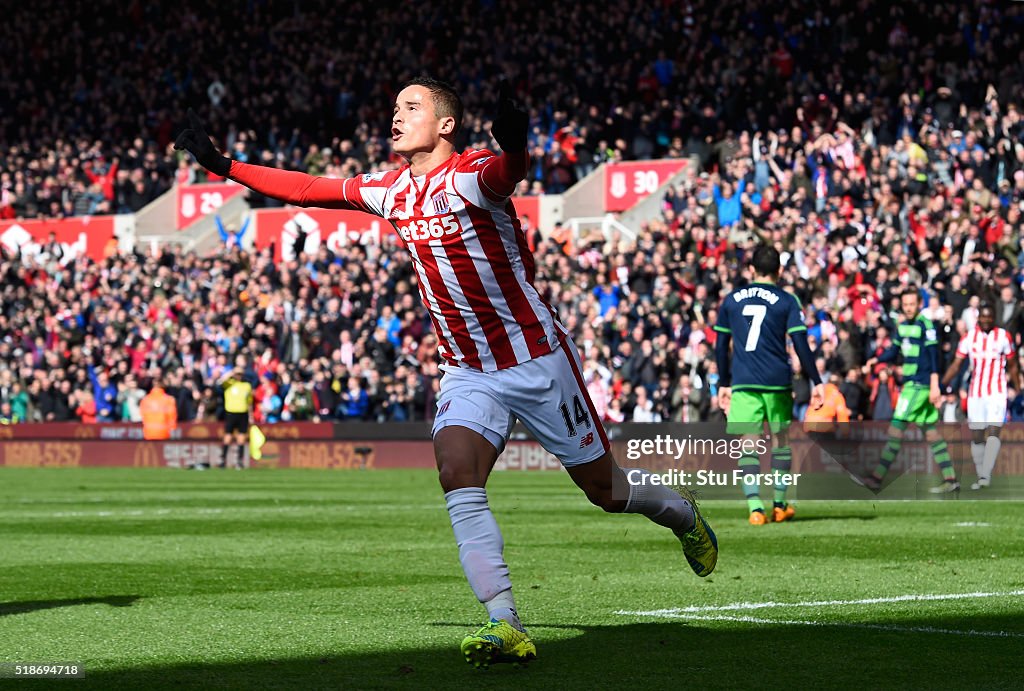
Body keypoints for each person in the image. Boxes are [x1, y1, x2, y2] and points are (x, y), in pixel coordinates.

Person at [175, 76, 717, 668]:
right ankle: (505, 622)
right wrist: (221, 163)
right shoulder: (391, 190)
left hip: (534, 358)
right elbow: (307, 188)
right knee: (457, 472)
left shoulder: (470, 175)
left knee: (605, 491)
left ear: (446, 125)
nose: (396, 116)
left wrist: (516, 146)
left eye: (412, 107)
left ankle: (683, 514)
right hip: (467, 369)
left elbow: (506, 174)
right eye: (396, 107)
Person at [714, 245, 824, 525]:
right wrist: (816, 380)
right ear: (779, 271)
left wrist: (724, 383)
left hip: (743, 381)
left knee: (748, 445)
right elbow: (800, 342)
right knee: (781, 442)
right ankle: (779, 504)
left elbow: (720, 345)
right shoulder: (787, 300)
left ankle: (754, 508)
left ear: (751, 270)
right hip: (777, 381)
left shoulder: (731, 300)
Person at [864, 290, 959, 493]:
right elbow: (894, 351)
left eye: (911, 304)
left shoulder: (926, 324)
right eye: (905, 304)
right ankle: (951, 479)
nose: (908, 308)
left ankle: (876, 478)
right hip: (911, 384)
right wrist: (877, 359)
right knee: (930, 432)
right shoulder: (902, 327)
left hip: (919, 384)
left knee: (897, 426)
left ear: (918, 304)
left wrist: (935, 383)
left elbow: (935, 355)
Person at [941, 304, 1020, 490]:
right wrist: (942, 384)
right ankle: (981, 472)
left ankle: (986, 474)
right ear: (978, 318)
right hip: (976, 392)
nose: (986, 320)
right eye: (983, 317)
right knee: (977, 435)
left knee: (994, 431)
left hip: (997, 391)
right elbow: (956, 364)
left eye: (989, 317)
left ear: (993, 318)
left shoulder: (1003, 336)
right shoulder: (969, 338)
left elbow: (1013, 364)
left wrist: (1017, 387)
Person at [218, 366, 253, 469]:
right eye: (237, 374)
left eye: (240, 374)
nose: (239, 376)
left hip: (243, 413)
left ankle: (239, 461)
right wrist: (230, 373)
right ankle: (223, 459)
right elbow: (220, 381)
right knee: (228, 436)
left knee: (241, 437)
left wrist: (250, 415)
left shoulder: (246, 385)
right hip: (231, 413)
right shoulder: (229, 384)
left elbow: (249, 401)